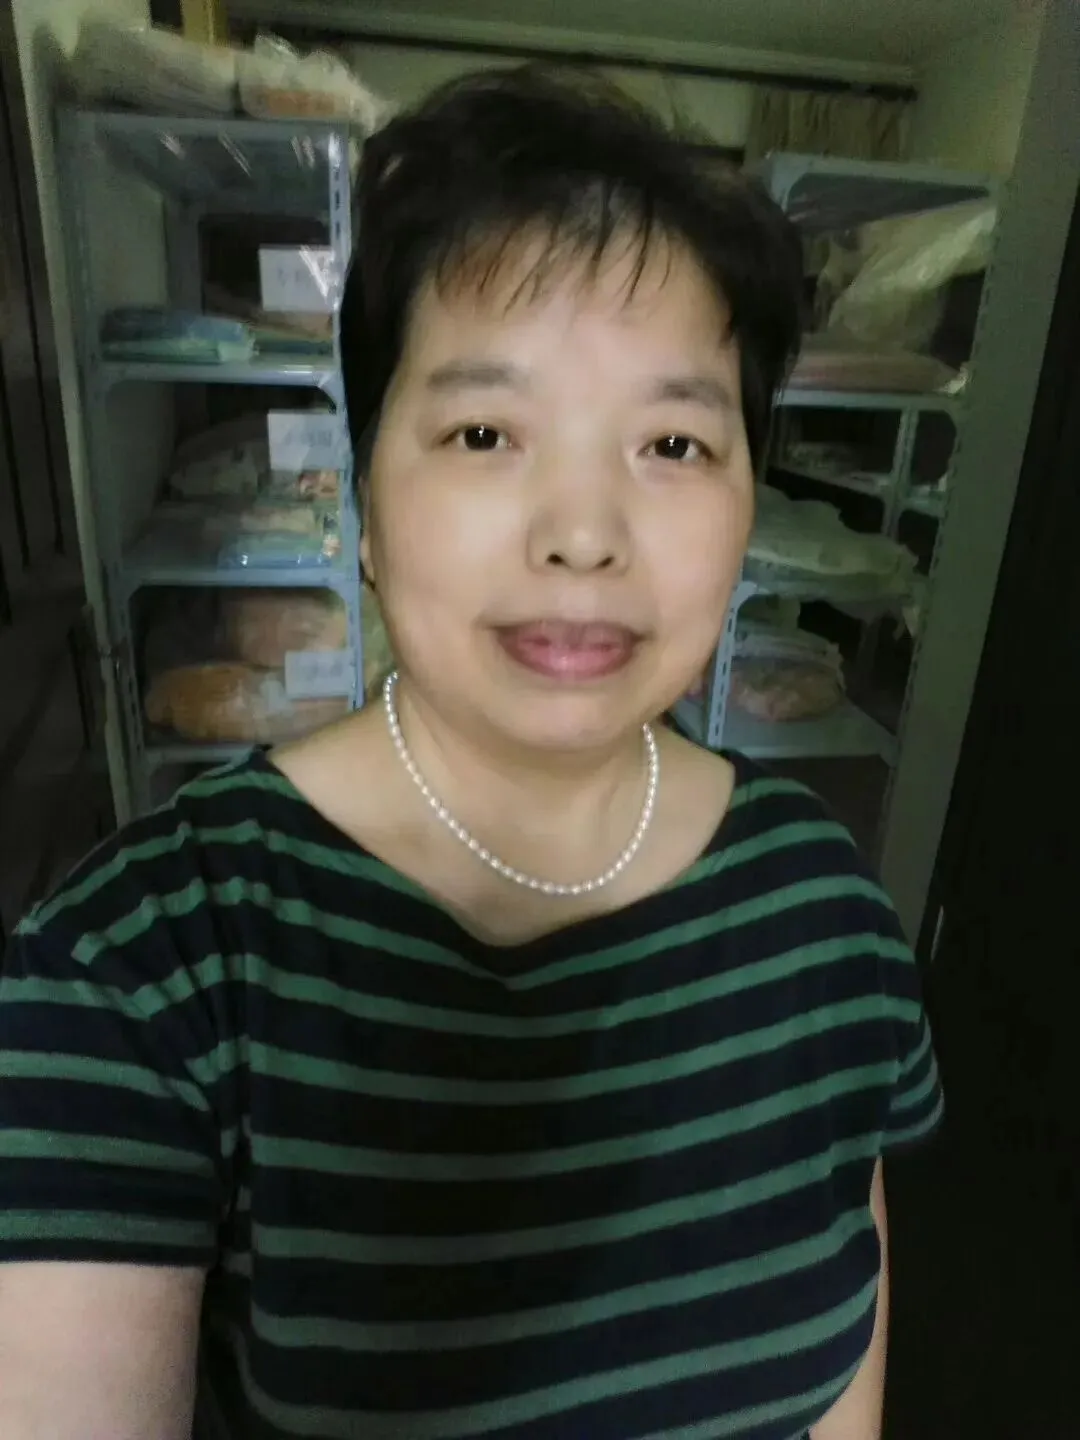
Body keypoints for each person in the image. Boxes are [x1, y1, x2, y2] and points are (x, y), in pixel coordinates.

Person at [0, 67, 941, 1440]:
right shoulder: (139, 969)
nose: (584, 534)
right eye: (485, 431)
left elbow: (845, 1393)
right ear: (365, 499)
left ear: (751, 498)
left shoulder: (828, 910)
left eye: (675, 441)